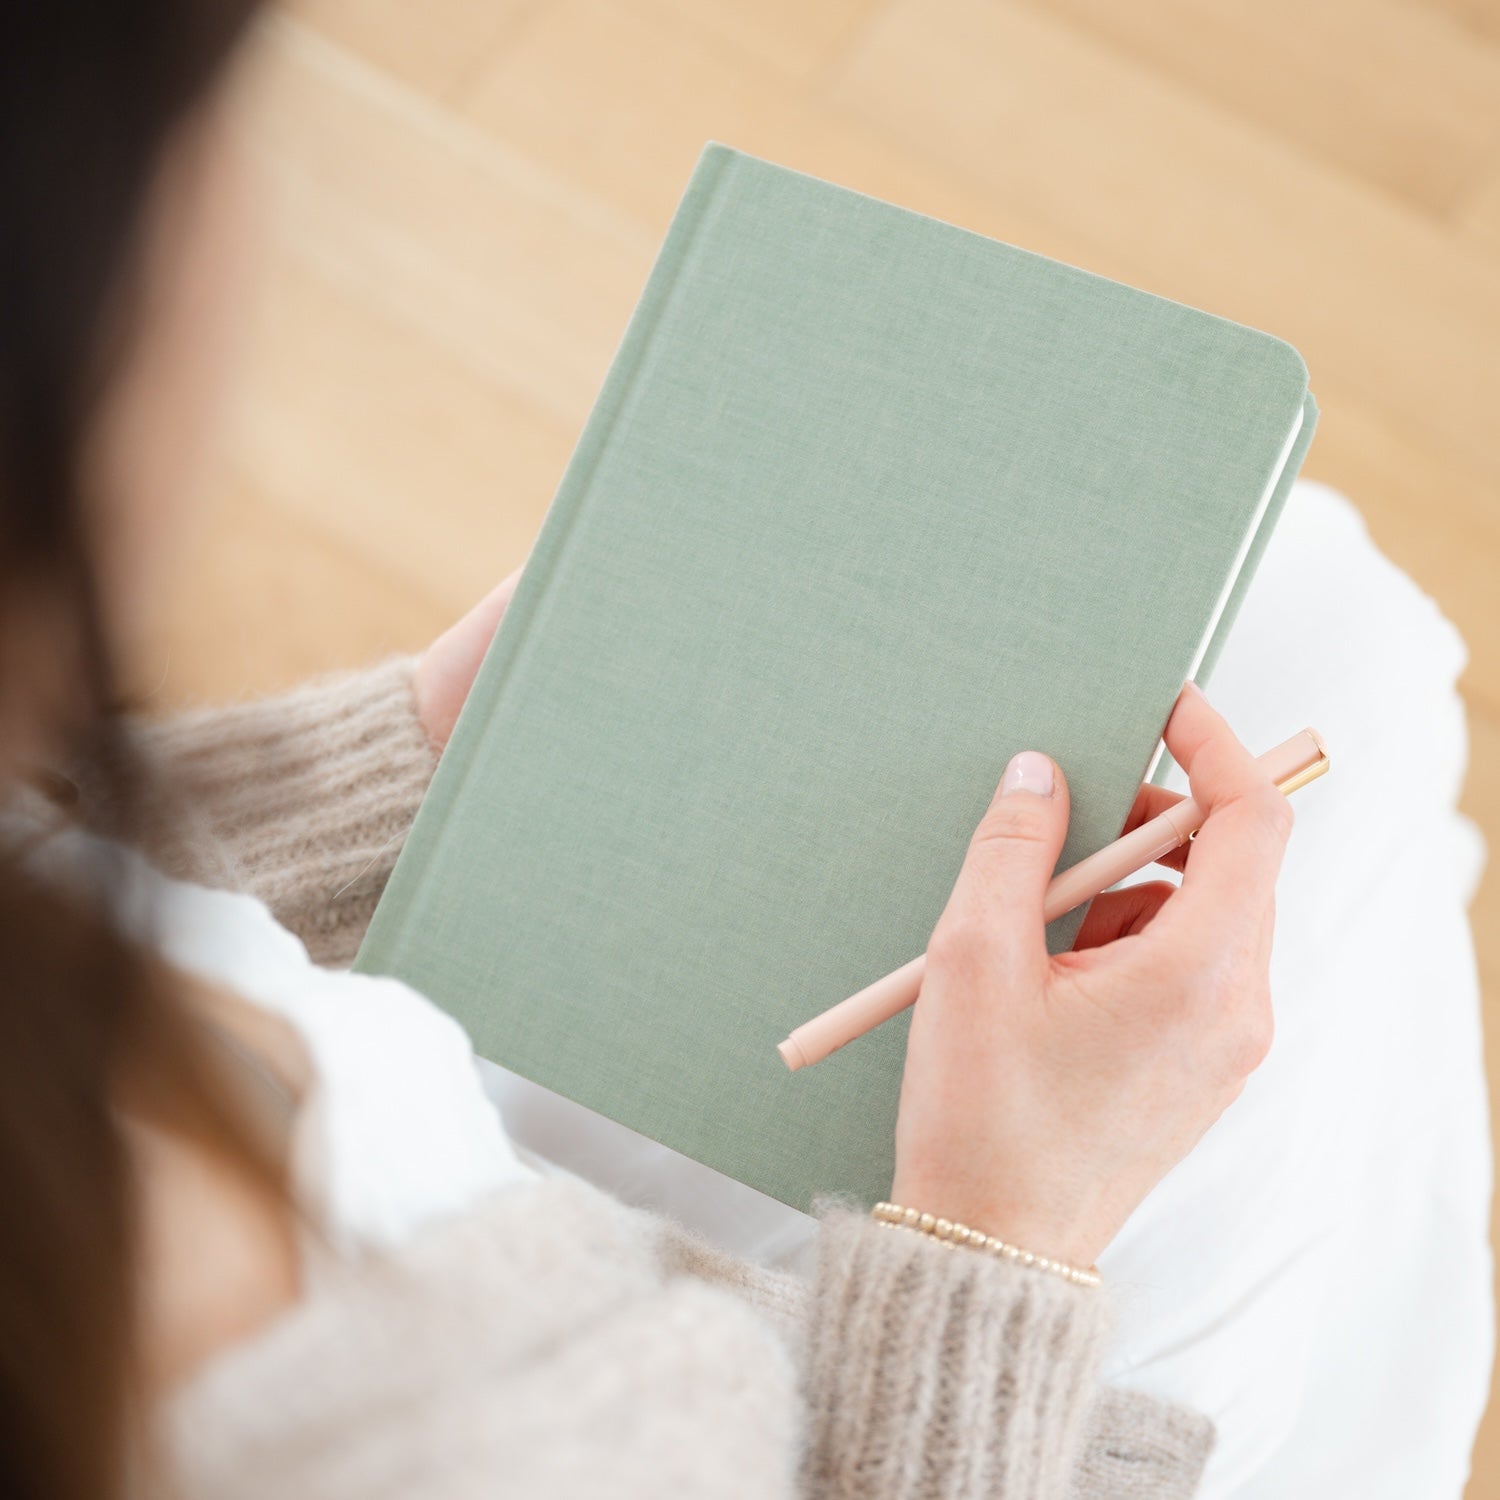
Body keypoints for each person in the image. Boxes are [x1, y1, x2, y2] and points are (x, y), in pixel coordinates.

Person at [1, 4, 1489, 1499]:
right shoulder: (393, 1440)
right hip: (926, 1405)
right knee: (1369, 679)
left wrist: (400, 761)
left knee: (1310, 601)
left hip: (471, 1157)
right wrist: (1003, 1235)